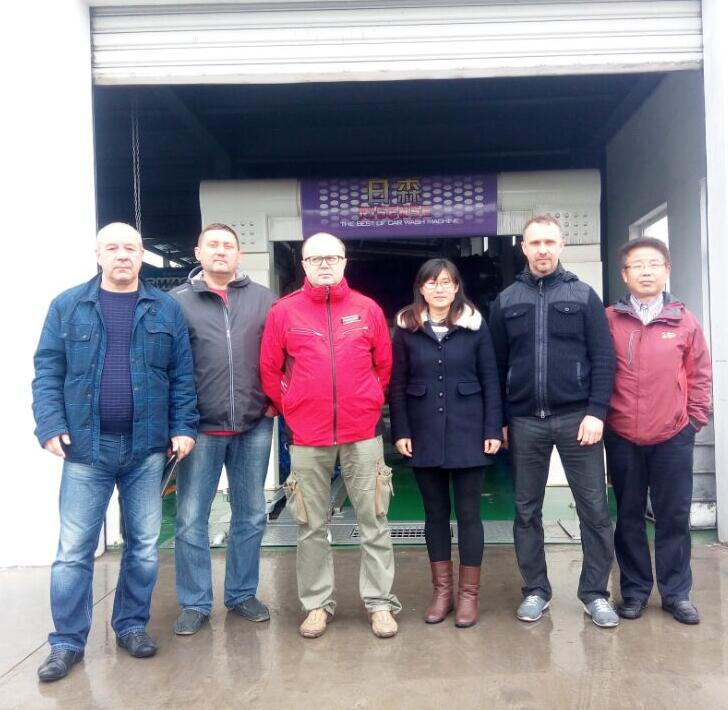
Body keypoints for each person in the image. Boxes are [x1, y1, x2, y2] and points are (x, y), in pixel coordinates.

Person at [32, 223, 198, 682]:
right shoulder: (68, 306)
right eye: (113, 248)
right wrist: (50, 425)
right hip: (86, 449)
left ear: (142, 255)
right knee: (73, 551)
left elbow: (182, 375)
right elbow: (47, 370)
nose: (122, 255)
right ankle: (66, 642)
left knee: (143, 547)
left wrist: (183, 426)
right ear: (98, 254)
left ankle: (130, 626)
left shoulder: (165, 308)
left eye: (130, 248)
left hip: (147, 449)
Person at [260, 232, 401, 639]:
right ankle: (317, 605)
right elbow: (270, 369)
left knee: (374, 520)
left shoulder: (367, 309)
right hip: (307, 437)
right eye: (315, 258)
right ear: (303, 265)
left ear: (344, 262)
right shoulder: (284, 312)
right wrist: (294, 407)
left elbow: (384, 366)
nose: (324, 264)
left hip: (362, 434)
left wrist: (368, 402)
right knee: (310, 524)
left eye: (332, 258)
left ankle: (379, 603)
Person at [489, 215, 619, 628]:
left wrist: (597, 411)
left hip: (577, 418)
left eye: (549, 242)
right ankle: (536, 590)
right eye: (535, 242)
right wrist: (501, 420)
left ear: (561, 246)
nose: (542, 249)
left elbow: (604, 358)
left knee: (594, 509)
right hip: (525, 420)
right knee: (526, 510)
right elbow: (495, 366)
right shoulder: (506, 301)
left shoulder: (583, 296)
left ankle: (595, 593)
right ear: (523, 248)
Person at [170, 223, 277, 635]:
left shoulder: (264, 300)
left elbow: (282, 355)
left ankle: (242, 594)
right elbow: (167, 366)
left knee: (251, 514)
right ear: (198, 252)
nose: (220, 251)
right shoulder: (176, 302)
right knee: (190, 517)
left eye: (227, 245)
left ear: (239, 255)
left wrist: (275, 401)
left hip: (254, 424)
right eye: (212, 245)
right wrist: (177, 421)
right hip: (199, 428)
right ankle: (195, 602)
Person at [605, 237, 712, 625]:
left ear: (667, 271)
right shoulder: (609, 320)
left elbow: (700, 374)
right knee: (629, 516)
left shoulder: (685, 321)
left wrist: (693, 421)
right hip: (622, 435)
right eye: (637, 265)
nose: (646, 272)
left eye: (654, 264)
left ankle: (676, 593)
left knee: (673, 516)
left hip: (672, 436)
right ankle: (634, 592)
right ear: (625, 274)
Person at [389, 258, 502, 627]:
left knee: (469, 515)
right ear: (421, 288)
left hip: (470, 431)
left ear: (456, 288)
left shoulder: (475, 326)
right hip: (422, 433)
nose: (439, 289)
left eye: (446, 282)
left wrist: (492, 429)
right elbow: (397, 385)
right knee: (434, 514)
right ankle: (441, 593)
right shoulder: (406, 328)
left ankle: (468, 596)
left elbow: (490, 379)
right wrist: (401, 431)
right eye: (432, 282)